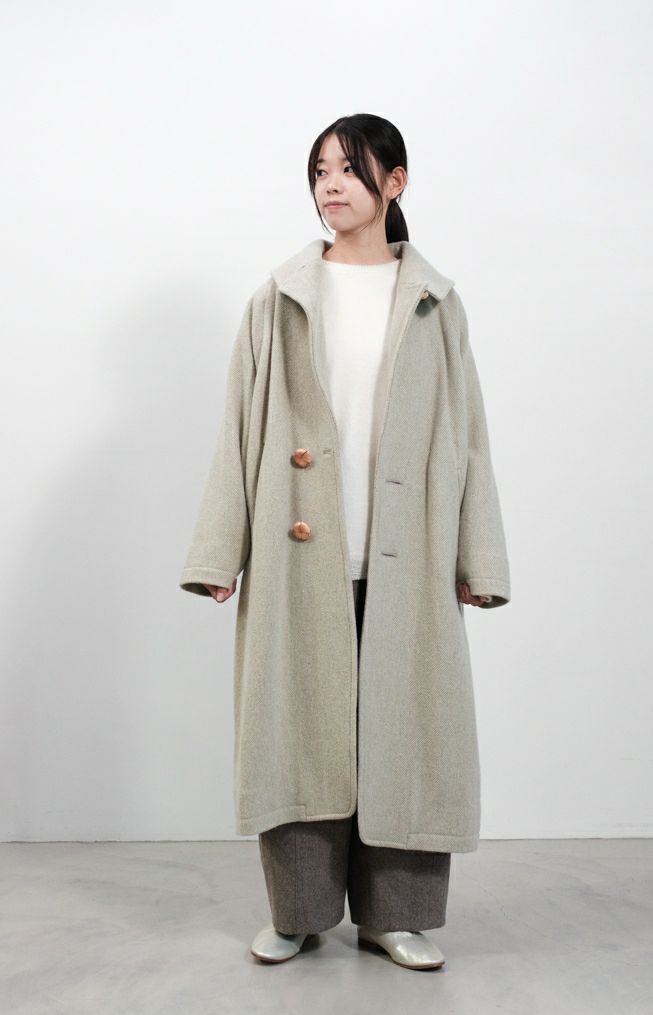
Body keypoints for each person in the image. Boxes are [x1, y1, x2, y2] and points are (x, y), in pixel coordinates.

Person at [179, 113, 511, 970]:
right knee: (299, 731)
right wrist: (219, 552)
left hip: (410, 551)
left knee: (408, 731)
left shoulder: (435, 301)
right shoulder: (280, 296)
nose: (331, 185)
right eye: (320, 170)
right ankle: (298, 912)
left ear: (394, 182)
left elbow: (469, 434)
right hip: (300, 552)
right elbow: (240, 426)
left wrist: (478, 558)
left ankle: (396, 916)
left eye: (351, 170)